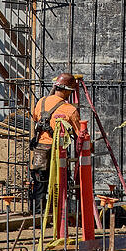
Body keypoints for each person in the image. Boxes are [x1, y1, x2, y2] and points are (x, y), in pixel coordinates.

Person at [29, 73, 82, 207]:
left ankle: (37, 215)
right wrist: (89, 149)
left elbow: (36, 119)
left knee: (39, 183)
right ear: (67, 90)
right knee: (59, 184)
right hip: (58, 151)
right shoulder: (69, 109)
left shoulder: (42, 101)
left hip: (40, 148)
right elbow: (80, 134)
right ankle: (58, 212)